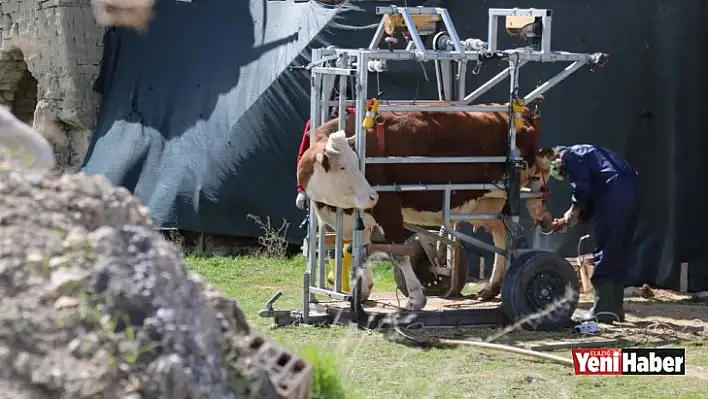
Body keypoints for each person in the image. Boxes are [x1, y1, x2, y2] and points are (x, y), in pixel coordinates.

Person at [548, 144, 640, 323]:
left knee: (605, 247)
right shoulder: (594, 156)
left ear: (557, 156)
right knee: (619, 249)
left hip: (614, 193)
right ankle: (615, 309)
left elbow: (583, 187)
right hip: (632, 190)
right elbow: (589, 200)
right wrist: (570, 221)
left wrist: (572, 211)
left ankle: (602, 310)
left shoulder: (571, 155)